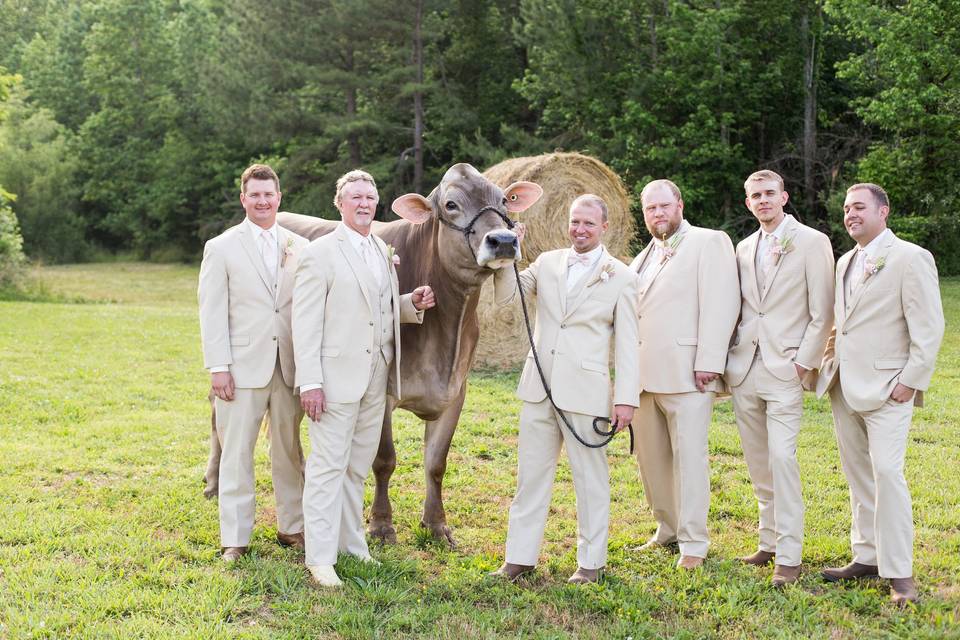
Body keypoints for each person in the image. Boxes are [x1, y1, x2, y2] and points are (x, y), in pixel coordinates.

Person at [293, 169, 435, 588]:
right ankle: (319, 558)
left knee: (356, 466)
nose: (363, 204)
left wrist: (411, 303)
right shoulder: (320, 254)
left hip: (377, 377)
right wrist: (311, 382)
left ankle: (351, 545)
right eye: (354, 197)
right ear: (339, 204)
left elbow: (378, 309)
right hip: (334, 378)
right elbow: (305, 324)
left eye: (369, 198)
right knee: (326, 466)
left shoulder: (380, 248)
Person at [490, 194, 640, 585]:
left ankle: (591, 563)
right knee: (530, 478)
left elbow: (627, 345)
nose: (580, 230)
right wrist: (510, 249)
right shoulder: (546, 263)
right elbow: (506, 296)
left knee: (590, 481)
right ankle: (519, 558)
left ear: (604, 226)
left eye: (588, 223)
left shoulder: (621, 276)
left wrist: (625, 399)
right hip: (539, 385)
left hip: (586, 392)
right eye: (575, 222)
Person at [816, 183, 944, 605]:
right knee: (858, 476)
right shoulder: (845, 261)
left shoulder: (911, 257)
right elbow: (842, 321)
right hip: (845, 386)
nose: (850, 214)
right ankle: (866, 555)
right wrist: (830, 362)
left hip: (891, 388)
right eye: (846, 208)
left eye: (859, 207)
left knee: (888, 475)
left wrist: (910, 380)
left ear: (883, 211)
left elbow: (929, 327)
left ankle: (900, 572)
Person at [724, 170, 834, 586]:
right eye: (756, 195)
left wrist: (803, 363)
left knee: (783, 460)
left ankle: (790, 555)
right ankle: (767, 542)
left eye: (770, 193)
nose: (764, 200)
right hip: (745, 365)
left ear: (784, 197)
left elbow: (823, 310)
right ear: (748, 203)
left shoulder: (811, 241)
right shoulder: (743, 246)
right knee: (757, 462)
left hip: (786, 367)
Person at [198, 163, 308, 562]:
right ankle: (235, 538)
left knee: (289, 450)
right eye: (255, 195)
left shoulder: (300, 245)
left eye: (269, 194)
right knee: (236, 452)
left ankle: (291, 527)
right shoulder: (221, 247)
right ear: (244, 199)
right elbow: (212, 312)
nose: (262, 201)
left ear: (279, 198)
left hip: (288, 365)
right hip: (241, 367)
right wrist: (218, 366)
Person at [629, 179, 739, 569]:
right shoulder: (642, 256)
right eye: (650, 209)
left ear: (680, 204)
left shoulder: (709, 242)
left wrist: (710, 359)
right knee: (652, 459)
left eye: (663, 206)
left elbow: (722, 301)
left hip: (689, 373)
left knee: (690, 458)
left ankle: (694, 542)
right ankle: (667, 528)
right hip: (642, 378)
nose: (657, 214)